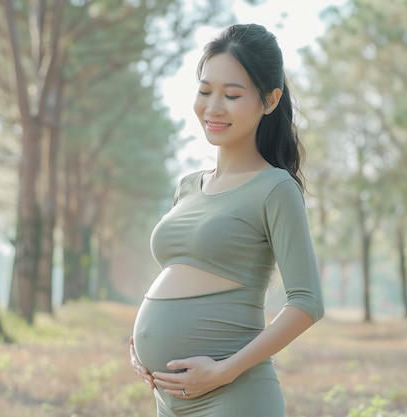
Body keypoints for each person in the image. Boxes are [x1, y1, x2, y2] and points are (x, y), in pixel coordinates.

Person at [129, 23, 324, 417]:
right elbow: (178, 278)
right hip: (168, 398)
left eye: (232, 95)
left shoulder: (274, 188)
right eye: (205, 91)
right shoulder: (187, 187)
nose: (213, 108)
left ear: (270, 101)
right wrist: (139, 344)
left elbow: (307, 302)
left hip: (233, 396)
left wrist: (222, 372)